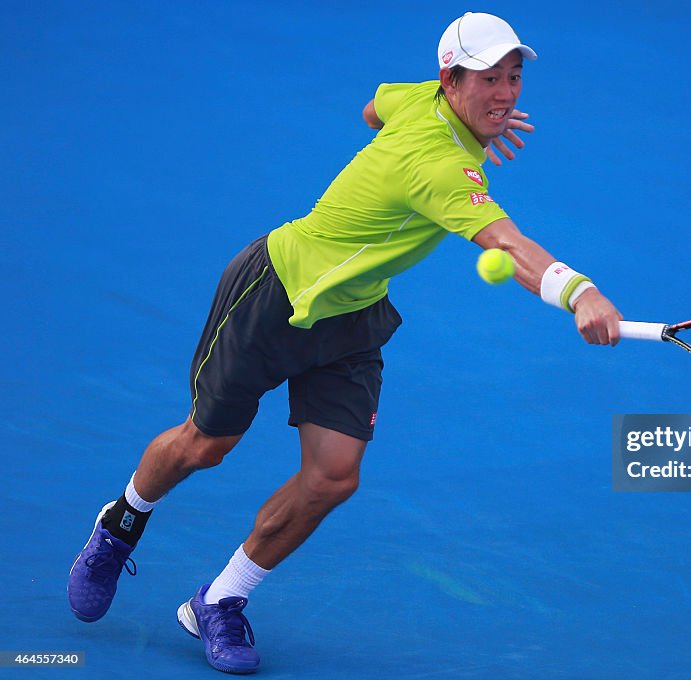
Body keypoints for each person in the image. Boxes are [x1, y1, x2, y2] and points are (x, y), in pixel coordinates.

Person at [67, 11, 622, 675]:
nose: (505, 93)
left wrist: (439, 137)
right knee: (205, 445)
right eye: (488, 80)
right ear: (451, 80)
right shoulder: (437, 167)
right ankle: (121, 523)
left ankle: (219, 601)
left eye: (513, 77)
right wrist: (580, 293)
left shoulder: (417, 96)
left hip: (353, 315)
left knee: (333, 477)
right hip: (275, 293)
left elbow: (374, 107)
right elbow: (508, 243)